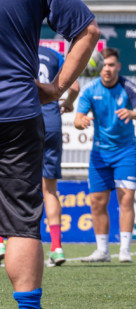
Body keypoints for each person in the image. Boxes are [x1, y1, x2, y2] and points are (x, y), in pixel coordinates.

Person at [0, 0, 100, 307]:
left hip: (18, 113)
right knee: (22, 223)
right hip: (19, 112)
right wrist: (57, 88)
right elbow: (87, 31)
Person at [74, 48, 136, 263]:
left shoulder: (128, 87)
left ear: (118, 67)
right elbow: (77, 119)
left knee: (125, 199)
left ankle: (124, 250)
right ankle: (102, 250)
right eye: (104, 65)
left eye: (111, 65)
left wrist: (133, 112)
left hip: (125, 152)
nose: (107, 69)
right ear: (99, 67)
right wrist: (81, 122)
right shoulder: (90, 90)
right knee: (97, 202)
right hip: (99, 154)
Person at [38, 45, 81, 267]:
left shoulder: (14, 48)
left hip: (23, 118)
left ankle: (2, 241)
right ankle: (56, 248)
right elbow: (74, 86)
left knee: (10, 184)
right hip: (51, 123)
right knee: (50, 190)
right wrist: (68, 104)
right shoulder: (54, 55)